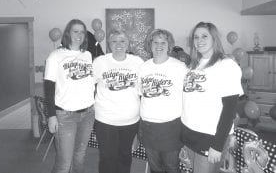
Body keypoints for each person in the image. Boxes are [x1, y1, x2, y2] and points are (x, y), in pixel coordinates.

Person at [180, 22, 244, 173]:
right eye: (196, 37)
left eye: (204, 36)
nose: (199, 40)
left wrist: (217, 145)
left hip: (211, 137)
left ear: (214, 38)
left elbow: (230, 110)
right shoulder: (193, 66)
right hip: (189, 133)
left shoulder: (227, 65)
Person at [44, 19, 95, 173]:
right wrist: (51, 115)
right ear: (68, 33)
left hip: (87, 114)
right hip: (65, 116)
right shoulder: (55, 55)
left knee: (80, 157)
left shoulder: (87, 55)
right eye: (75, 31)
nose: (79, 35)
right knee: (64, 163)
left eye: (82, 32)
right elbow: (49, 87)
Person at [92, 30, 144, 173]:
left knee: (125, 156)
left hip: (131, 120)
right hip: (105, 120)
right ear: (109, 45)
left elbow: (142, 91)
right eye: (114, 41)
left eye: (122, 41)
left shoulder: (138, 62)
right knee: (107, 158)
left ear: (128, 44)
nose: (118, 44)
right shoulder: (100, 62)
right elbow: (87, 86)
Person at [139, 29, 187, 173]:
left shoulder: (179, 67)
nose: (159, 45)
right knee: (155, 168)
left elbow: (187, 97)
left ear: (169, 45)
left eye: (163, 42)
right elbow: (141, 95)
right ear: (150, 44)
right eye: (155, 42)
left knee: (171, 167)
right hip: (148, 127)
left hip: (171, 127)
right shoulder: (143, 67)